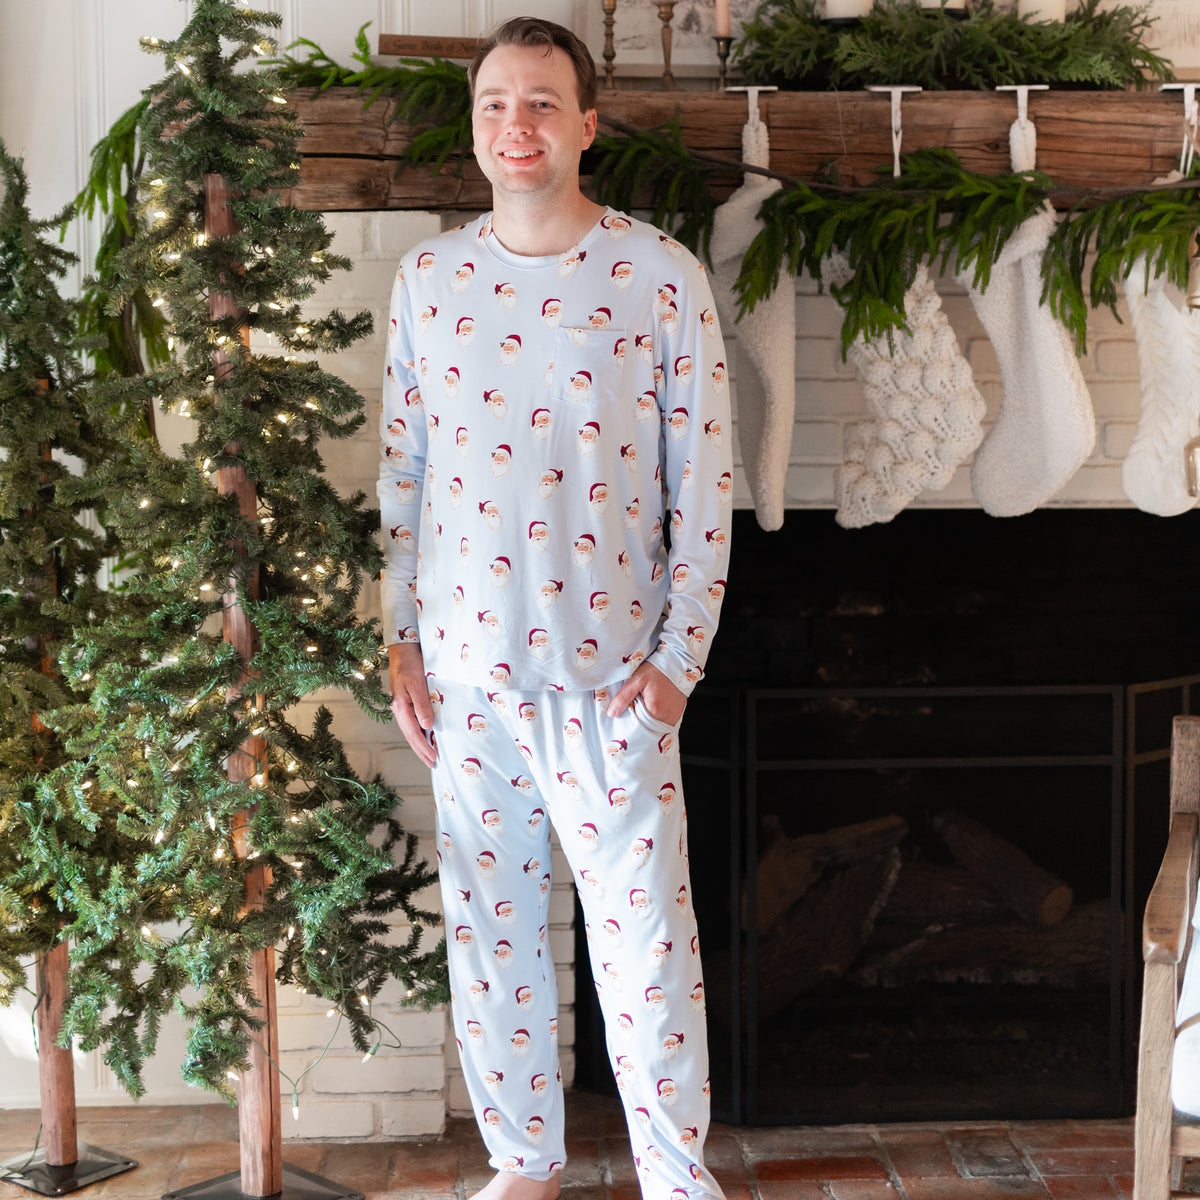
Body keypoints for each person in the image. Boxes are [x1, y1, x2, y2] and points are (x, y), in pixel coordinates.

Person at [378, 17, 732, 1199]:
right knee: (495, 948)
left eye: (538, 104)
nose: (513, 125)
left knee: (644, 958)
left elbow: (706, 481)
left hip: (613, 680)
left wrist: (679, 659)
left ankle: (676, 1177)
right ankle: (523, 1166)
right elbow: (404, 474)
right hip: (469, 687)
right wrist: (401, 641)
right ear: (475, 126)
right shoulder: (428, 279)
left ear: (585, 126)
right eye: (493, 104)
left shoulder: (657, 273)